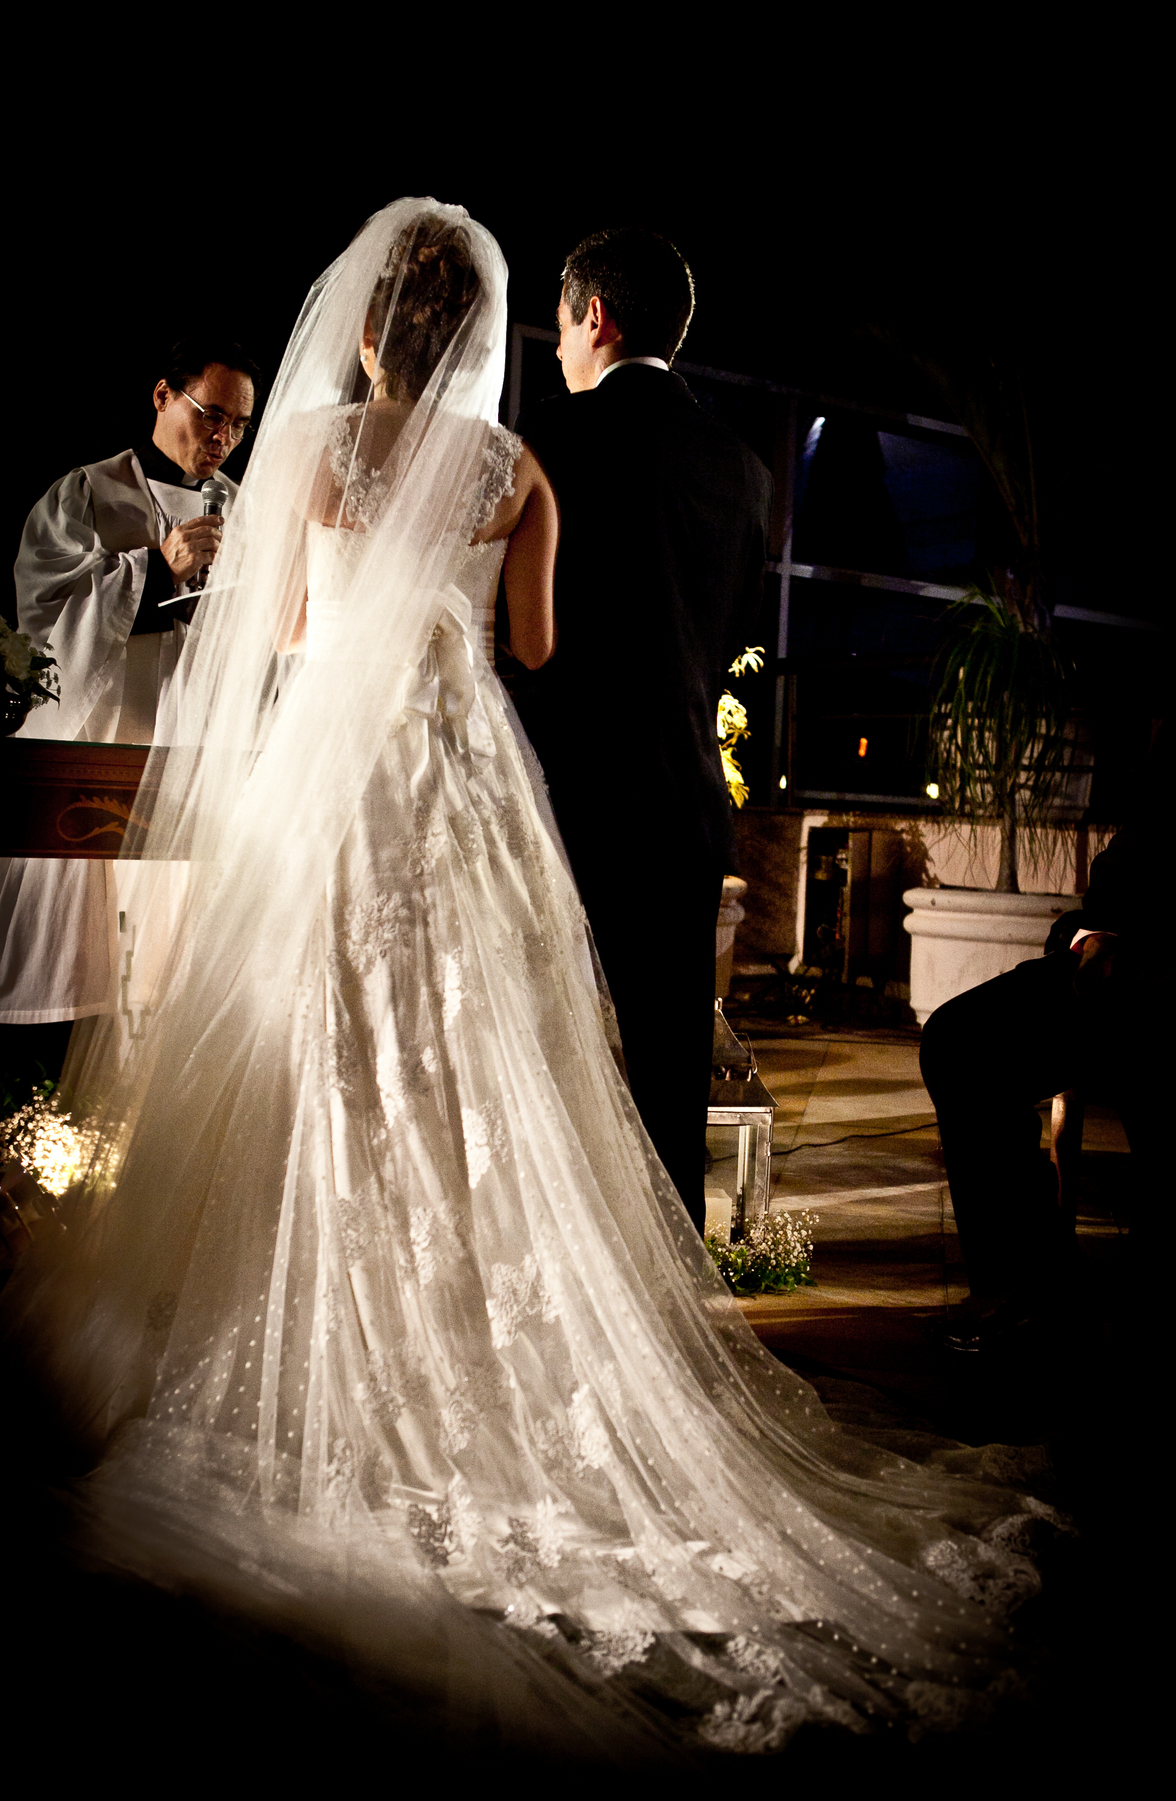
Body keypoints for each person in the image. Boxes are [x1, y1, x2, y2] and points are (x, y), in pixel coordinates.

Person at [3, 202, 1056, 1761]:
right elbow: (537, 645)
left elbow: (282, 627)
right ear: (479, 335)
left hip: (335, 783)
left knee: (314, 1033)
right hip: (465, 781)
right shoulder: (517, 470)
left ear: (368, 329)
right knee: (472, 1051)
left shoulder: (307, 453)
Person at [510, 230, 773, 1234]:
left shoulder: (551, 436)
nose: (560, 348)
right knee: (670, 1075)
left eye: (563, 323)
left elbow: (518, 631)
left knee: (537, 1055)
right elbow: (729, 637)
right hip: (685, 802)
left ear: (596, 316)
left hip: (564, 796)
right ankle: (674, 1282)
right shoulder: (745, 468)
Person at [0, 341, 258, 1055]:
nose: (223, 438)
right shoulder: (85, 494)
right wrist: (154, 569)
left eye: (239, 426)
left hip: (196, 747)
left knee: (178, 976)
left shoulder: (244, 510)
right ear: (163, 395)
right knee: (88, 966)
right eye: (212, 414)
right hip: (99, 747)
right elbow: (43, 617)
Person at [920, 712, 1176, 1348]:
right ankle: (1031, 1285)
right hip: (1123, 971)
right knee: (960, 1040)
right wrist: (1096, 934)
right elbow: (1124, 870)